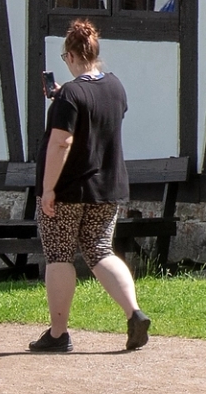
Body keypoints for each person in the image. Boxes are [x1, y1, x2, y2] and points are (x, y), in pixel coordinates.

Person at [32, 18, 151, 355]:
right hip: (108, 186)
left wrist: (49, 189)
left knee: (59, 255)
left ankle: (58, 333)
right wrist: (63, 99)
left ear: (70, 56)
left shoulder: (70, 93)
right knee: (100, 250)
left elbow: (62, 143)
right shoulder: (115, 87)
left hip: (69, 188)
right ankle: (134, 313)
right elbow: (96, 116)